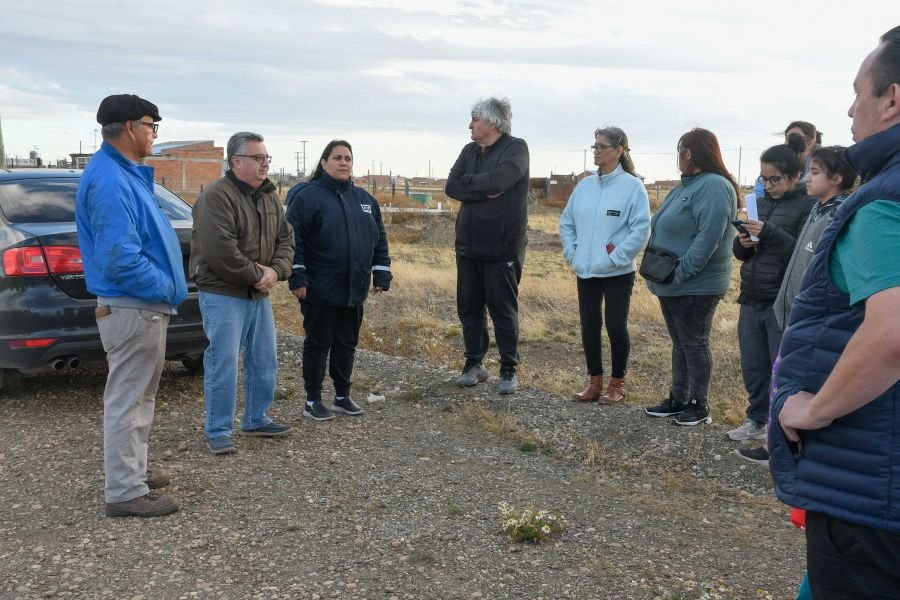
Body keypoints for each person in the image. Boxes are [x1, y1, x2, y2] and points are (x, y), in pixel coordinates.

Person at [770, 25, 900, 597]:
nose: (849, 109)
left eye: (858, 91)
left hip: (872, 485)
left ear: (892, 99)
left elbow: (893, 332)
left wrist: (815, 409)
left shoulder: (883, 203)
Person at [75, 94, 184, 517]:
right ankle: (124, 492)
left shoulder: (122, 173)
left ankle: (132, 471)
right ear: (128, 127)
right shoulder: (110, 180)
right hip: (135, 306)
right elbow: (120, 258)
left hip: (141, 307)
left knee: (139, 397)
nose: (155, 133)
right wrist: (166, 287)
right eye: (151, 124)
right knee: (128, 398)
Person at [737, 147, 858, 464]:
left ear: (837, 178)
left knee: (794, 380)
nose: (808, 178)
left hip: (812, 314)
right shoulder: (820, 208)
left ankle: (780, 446)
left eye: (815, 172)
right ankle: (772, 440)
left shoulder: (837, 213)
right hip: (787, 305)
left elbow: (811, 263)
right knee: (773, 373)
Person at [190, 132, 295, 455]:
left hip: (258, 293)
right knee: (223, 361)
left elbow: (286, 240)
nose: (265, 164)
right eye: (257, 158)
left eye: (267, 158)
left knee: (264, 358)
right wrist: (259, 277)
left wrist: (276, 272)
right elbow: (221, 251)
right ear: (236, 162)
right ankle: (218, 429)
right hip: (225, 292)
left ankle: (256, 418)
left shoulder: (268, 197)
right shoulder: (216, 197)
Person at [285, 140, 392, 421]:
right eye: (337, 158)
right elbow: (293, 240)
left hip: (353, 288)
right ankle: (312, 400)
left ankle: (343, 395)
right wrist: (297, 277)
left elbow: (379, 239)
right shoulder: (307, 197)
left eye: (348, 158)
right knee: (319, 343)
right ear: (323, 163)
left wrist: (382, 272)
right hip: (319, 288)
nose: (343, 163)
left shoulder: (365, 201)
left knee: (347, 342)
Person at [642, 128, 737, 426]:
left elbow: (708, 238)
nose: (678, 157)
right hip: (672, 283)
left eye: (680, 150)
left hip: (696, 284)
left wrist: (681, 273)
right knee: (680, 343)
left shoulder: (714, 186)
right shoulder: (686, 186)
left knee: (695, 343)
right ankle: (678, 399)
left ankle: (699, 404)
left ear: (691, 153)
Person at [727, 139, 814, 442]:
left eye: (775, 179)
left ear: (795, 177)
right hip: (751, 296)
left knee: (781, 367)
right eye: (764, 178)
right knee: (753, 364)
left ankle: (780, 427)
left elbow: (800, 252)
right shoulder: (759, 203)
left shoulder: (808, 207)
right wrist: (743, 243)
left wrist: (768, 232)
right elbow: (742, 253)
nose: (768, 184)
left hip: (781, 301)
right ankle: (755, 418)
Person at [560, 126, 650, 404]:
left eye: (601, 146)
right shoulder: (585, 186)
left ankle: (617, 384)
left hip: (617, 272)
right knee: (589, 324)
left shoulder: (633, 187)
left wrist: (615, 258)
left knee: (614, 325)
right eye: (594, 146)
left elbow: (641, 230)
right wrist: (572, 252)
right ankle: (594, 383)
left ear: (618, 150)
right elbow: (567, 223)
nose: (596, 151)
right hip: (585, 270)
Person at [445, 97, 530, 395]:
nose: (470, 124)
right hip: (467, 244)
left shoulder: (516, 148)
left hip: (502, 247)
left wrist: (472, 187)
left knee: (502, 309)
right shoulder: (469, 151)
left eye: (475, 119)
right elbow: (451, 186)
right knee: (468, 307)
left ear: (492, 122)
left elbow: (503, 179)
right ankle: (474, 363)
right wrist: (483, 189)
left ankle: (508, 368)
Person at [753, 121, 821, 199]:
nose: (788, 142)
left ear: (811, 141)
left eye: (795, 137)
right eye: (786, 138)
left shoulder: (822, 165)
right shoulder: (776, 161)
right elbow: (758, 193)